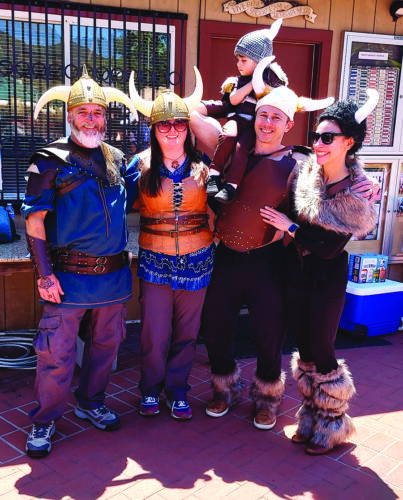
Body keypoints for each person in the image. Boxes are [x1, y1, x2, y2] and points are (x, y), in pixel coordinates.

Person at [199, 85, 335, 430]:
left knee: (268, 333)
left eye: (277, 117)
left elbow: (327, 194)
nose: (268, 123)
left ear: (288, 124)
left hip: (268, 261)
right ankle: (224, 388)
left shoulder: (301, 163)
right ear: (255, 118)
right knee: (214, 327)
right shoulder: (231, 151)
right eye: (263, 115)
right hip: (226, 256)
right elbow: (195, 120)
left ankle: (267, 397)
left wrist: (363, 186)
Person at [21, 67, 140, 458]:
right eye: (84, 112)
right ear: (69, 116)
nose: (91, 119)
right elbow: (34, 221)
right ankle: (45, 419)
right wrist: (44, 275)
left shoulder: (117, 158)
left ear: (106, 118)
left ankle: (91, 402)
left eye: (98, 112)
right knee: (57, 354)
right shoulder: (48, 160)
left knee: (106, 346)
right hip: (67, 280)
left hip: (113, 279)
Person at [260, 89, 379, 454]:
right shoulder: (305, 175)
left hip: (326, 278)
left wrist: (291, 227)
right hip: (295, 273)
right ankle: (310, 417)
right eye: (316, 136)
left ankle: (331, 425)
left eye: (328, 138)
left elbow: (328, 247)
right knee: (305, 351)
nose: (318, 144)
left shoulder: (358, 192)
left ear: (349, 142)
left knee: (323, 351)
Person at [129, 68, 215, 420]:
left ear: (187, 127)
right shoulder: (139, 166)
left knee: (187, 332)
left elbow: (221, 205)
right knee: (154, 332)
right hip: (155, 260)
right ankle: (151, 388)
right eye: (164, 124)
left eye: (179, 123)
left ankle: (177, 389)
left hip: (198, 259)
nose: (172, 130)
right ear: (153, 128)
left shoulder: (204, 166)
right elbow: (115, 205)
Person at [191, 20, 287, 204]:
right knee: (227, 135)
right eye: (238, 60)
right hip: (238, 119)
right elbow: (233, 100)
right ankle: (214, 175)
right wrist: (252, 83)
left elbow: (276, 101)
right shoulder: (238, 81)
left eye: (244, 60)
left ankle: (231, 186)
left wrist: (262, 82)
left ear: (260, 61)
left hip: (256, 126)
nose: (238, 64)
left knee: (241, 148)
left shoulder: (272, 81)